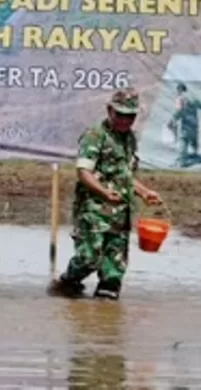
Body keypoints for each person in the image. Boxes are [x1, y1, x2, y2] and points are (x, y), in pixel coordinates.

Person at [49, 88, 160, 300]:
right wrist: (104, 193)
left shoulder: (129, 140)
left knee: (114, 269)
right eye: (121, 115)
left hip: (120, 214)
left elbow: (125, 176)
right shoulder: (95, 136)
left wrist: (144, 192)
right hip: (94, 211)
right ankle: (67, 282)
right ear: (110, 111)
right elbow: (83, 172)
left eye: (131, 116)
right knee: (89, 258)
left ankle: (106, 317)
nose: (125, 121)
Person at [167, 82, 201, 167]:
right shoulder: (193, 98)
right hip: (194, 125)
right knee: (193, 141)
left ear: (180, 90)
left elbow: (179, 111)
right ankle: (194, 154)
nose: (176, 92)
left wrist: (172, 121)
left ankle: (182, 162)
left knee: (183, 141)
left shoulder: (180, 99)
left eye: (177, 90)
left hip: (186, 124)